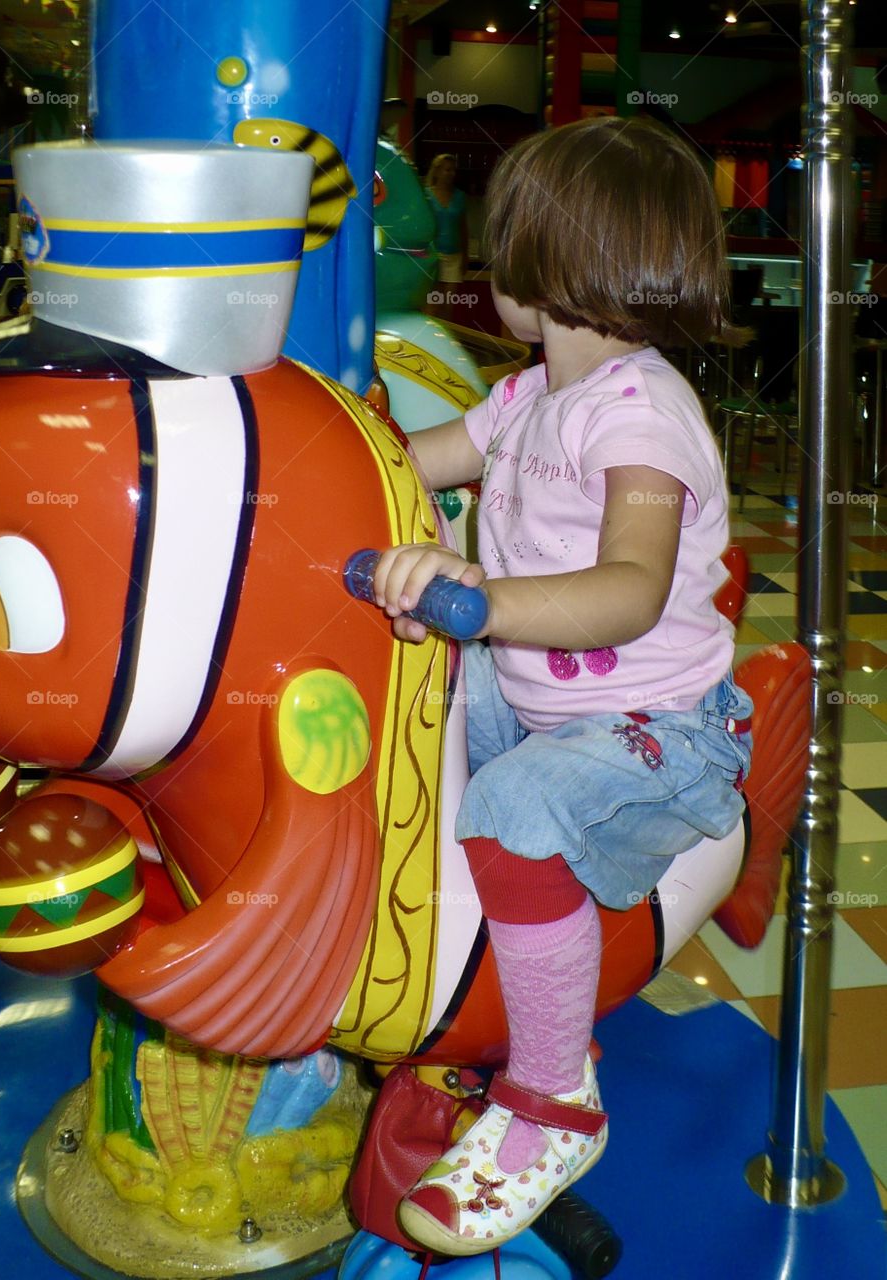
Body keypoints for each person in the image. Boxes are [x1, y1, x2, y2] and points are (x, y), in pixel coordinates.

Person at [368, 117, 753, 1257]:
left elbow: (631, 588)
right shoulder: (530, 395)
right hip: (540, 691)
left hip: (658, 730)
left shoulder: (643, 416)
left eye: (504, 244)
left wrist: (476, 594)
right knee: (416, 696)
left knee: (510, 808)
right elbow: (409, 458)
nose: (489, 269)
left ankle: (548, 1097)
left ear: (555, 259)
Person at [426, 152, 468, 293]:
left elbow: (463, 228)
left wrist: (465, 257)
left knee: (449, 304)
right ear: (437, 171)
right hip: (433, 255)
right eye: (447, 169)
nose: (451, 173)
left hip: (454, 256)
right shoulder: (426, 196)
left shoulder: (460, 196)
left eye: (453, 170)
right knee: (433, 303)